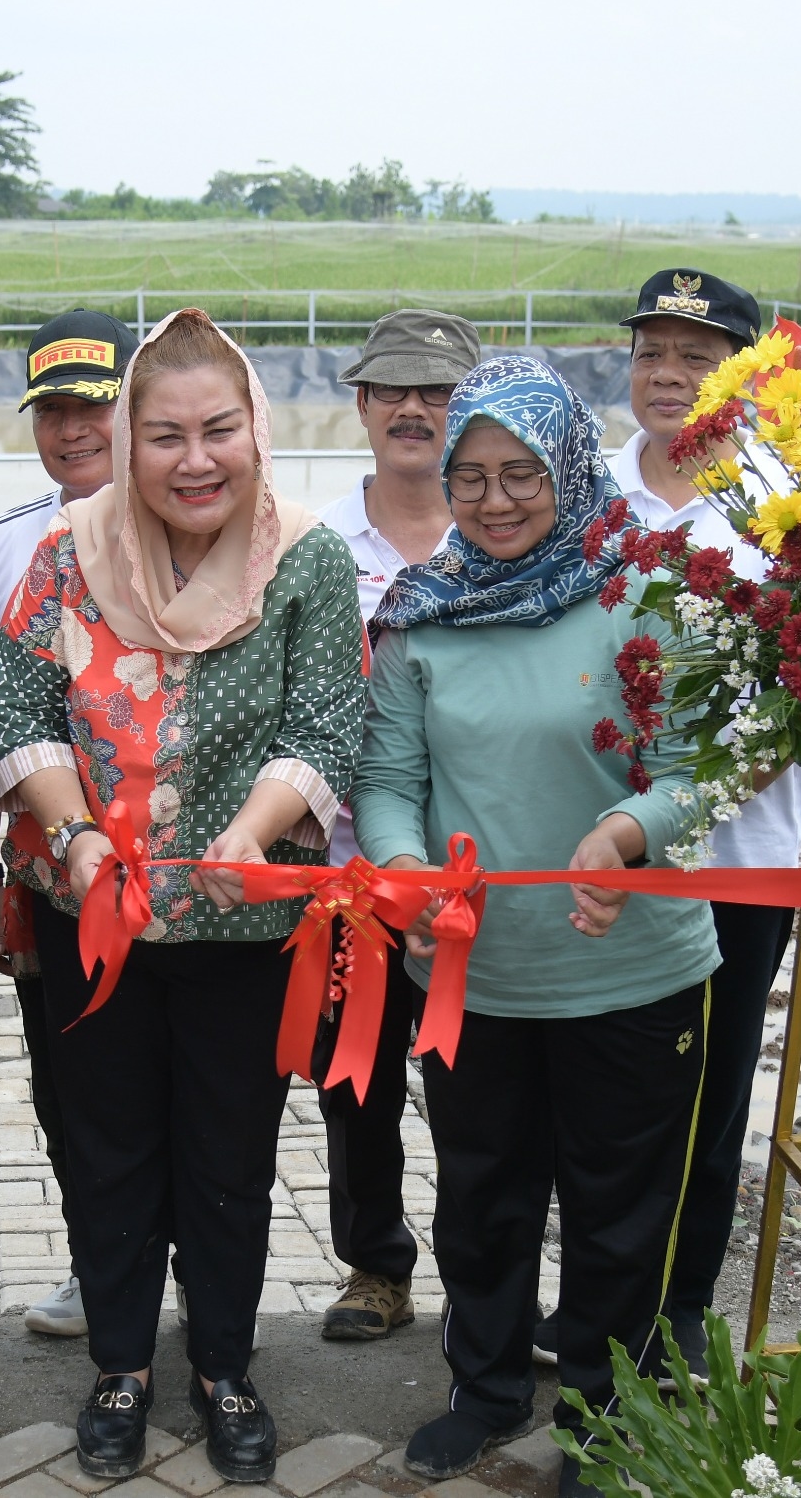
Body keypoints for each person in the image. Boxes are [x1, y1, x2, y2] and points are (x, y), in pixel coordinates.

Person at [0, 308, 366, 1486]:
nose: (193, 460)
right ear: (125, 437)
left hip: (242, 922)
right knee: (105, 1151)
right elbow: (23, 711)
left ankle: (221, 1366)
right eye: (162, 436)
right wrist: (77, 834)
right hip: (90, 912)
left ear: (255, 429)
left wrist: (241, 842)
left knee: (227, 1153)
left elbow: (323, 725)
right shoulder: (66, 549)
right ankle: (117, 1369)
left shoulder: (304, 555)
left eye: (218, 431)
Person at [354, 355, 717, 1491]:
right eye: (469, 477)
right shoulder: (421, 612)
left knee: (619, 1212)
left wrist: (623, 834)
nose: (495, 500)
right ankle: (488, 1390)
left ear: (568, 467)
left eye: (522, 474)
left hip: (633, 967)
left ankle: (606, 1420)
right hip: (476, 972)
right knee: (481, 1197)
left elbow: (697, 769)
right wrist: (404, 868)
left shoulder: (646, 595)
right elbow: (386, 781)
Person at [599, 267, 801, 1372]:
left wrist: (713, 784)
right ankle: (600, 1298)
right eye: (651, 353)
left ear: (744, 372)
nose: (669, 375)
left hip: (739, 855)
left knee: (710, 1088)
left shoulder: (792, 503)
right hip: (606, 850)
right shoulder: (586, 493)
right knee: (610, 1084)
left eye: (696, 356)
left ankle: (680, 1304)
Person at [0, 307, 133, 1342]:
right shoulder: (0, 549)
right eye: (53, 410)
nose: (73, 429)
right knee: (67, 1082)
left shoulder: (223, 528)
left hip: (180, 871)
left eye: (94, 405)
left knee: (192, 1081)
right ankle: (96, 1263)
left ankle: (198, 1266)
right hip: (50, 877)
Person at [311, 309, 478, 1342]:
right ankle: (375, 1265)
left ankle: (481, 1274)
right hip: (344, 876)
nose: (414, 409)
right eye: (392, 390)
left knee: (474, 1094)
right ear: (361, 405)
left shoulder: (512, 540)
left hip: (474, 878)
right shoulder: (310, 543)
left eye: (438, 391)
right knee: (355, 1085)